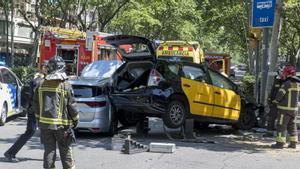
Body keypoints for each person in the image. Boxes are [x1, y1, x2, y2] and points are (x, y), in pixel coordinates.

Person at [32, 56, 79, 169]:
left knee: (49, 151)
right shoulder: (65, 85)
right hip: (62, 126)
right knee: (65, 151)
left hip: (44, 126)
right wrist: (76, 120)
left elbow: (36, 104)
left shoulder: (40, 84)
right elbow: (72, 106)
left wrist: (39, 119)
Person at [4, 63, 47, 162]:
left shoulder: (37, 77)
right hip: (35, 111)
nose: (47, 69)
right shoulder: (39, 80)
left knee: (44, 132)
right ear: (42, 68)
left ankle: (50, 154)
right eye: (46, 67)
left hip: (34, 110)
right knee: (32, 132)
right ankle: (10, 153)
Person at [271, 65, 300, 149]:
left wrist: (275, 101)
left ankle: (280, 144)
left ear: (286, 73)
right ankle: (293, 143)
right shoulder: (297, 84)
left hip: (284, 109)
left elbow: (280, 94)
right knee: (292, 126)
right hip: (294, 109)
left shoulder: (286, 83)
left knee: (281, 126)